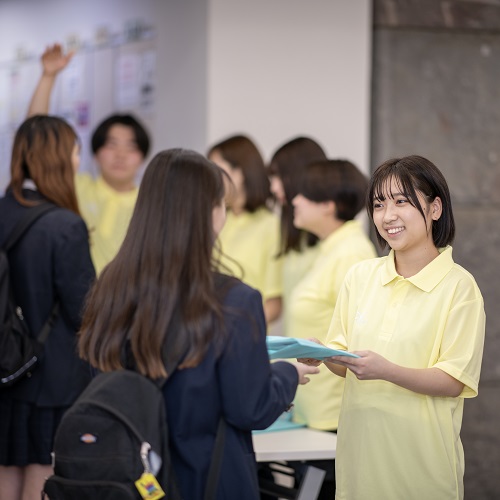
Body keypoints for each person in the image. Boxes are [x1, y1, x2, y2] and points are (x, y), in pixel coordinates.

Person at [77, 148, 319, 499]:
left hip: (128, 478)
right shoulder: (235, 300)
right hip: (206, 478)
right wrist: (288, 373)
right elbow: (250, 406)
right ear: (212, 213)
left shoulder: (110, 290)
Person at [301, 155, 486, 500]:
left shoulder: (459, 287)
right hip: (359, 467)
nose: (388, 216)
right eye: (379, 204)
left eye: (402, 201)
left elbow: (454, 380)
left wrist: (387, 370)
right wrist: (322, 354)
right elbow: (345, 364)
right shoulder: (360, 276)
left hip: (421, 472)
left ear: (435, 208)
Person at [0, 115, 96, 500]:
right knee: (42, 470)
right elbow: (84, 311)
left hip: (7, 369)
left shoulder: (4, 211)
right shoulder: (64, 226)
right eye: (75, 150)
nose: (77, 160)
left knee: (7, 468)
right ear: (58, 157)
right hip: (51, 377)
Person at [287, 159, 377, 498]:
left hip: (332, 416)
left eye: (303, 195)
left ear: (328, 205)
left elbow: (360, 336)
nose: (294, 200)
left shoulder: (351, 254)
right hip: (314, 410)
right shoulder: (330, 250)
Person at [27, 43, 151, 274]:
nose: (121, 155)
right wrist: (48, 77)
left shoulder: (151, 204)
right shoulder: (77, 187)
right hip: (77, 303)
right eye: (112, 145)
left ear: (142, 157)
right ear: (95, 153)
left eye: (130, 147)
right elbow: (37, 139)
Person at [208, 135, 282, 324]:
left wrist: (241, 332)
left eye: (218, 170)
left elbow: (273, 303)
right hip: (206, 336)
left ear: (240, 172)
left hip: (243, 338)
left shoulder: (271, 226)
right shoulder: (216, 219)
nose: (210, 178)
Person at [268, 136, 327, 332]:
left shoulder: (338, 246)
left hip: (323, 361)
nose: (273, 187)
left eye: (280, 177)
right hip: (297, 359)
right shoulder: (293, 237)